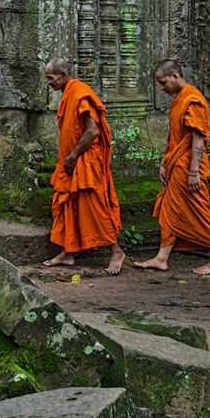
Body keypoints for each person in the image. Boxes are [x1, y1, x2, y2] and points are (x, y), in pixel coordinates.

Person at [134, 60, 210, 275]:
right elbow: (175, 136)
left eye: (163, 82)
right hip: (177, 163)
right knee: (171, 209)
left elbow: (198, 138)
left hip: (189, 167)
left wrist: (194, 171)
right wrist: (164, 162)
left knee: (200, 210)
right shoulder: (179, 100)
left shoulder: (193, 100)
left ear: (175, 76)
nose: (161, 87)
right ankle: (161, 258)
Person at [43, 57, 125, 275]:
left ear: (63, 75)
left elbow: (92, 131)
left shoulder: (80, 93)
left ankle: (116, 251)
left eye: (50, 78)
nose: (48, 83)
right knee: (64, 205)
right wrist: (68, 158)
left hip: (84, 160)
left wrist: (73, 155)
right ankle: (67, 252)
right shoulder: (68, 94)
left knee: (94, 207)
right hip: (70, 161)